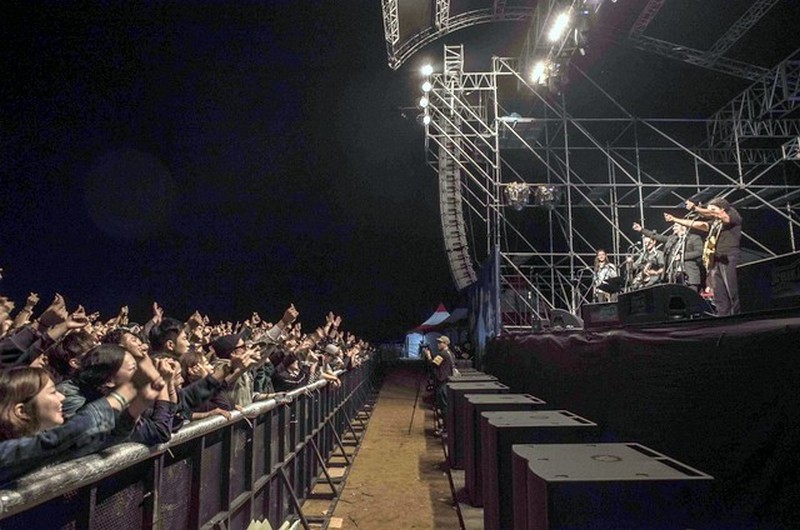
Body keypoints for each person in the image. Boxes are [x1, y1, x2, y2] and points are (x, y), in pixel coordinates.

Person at [666, 197, 742, 315]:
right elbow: (700, 224)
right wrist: (675, 219)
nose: (709, 212)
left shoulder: (732, 213)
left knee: (732, 290)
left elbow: (720, 216)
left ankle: (738, 316)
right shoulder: (715, 222)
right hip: (716, 259)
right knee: (719, 293)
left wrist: (696, 208)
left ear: (722, 209)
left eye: (713, 209)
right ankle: (723, 316)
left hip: (729, 257)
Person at [633, 221, 704, 291]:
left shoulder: (694, 238)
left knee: (690, 296)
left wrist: (682, 256)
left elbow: (699, 252)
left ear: (684, 227)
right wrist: (641, 229)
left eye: (676, 226)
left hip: (689, 275)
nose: (673, 228)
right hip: (674, 277)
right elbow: (657, 236)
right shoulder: (672, 239)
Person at [423, 336, 455, 435]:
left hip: (442, 382)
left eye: (440, 342)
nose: (438, 344)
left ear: (445, 343)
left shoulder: (442, 354)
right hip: (448, 381)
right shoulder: (450, 353)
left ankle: (446, 429)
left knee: (444, 406)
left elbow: (433, 365)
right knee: (446, 405)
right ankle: (446, 428)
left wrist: (428, 356)